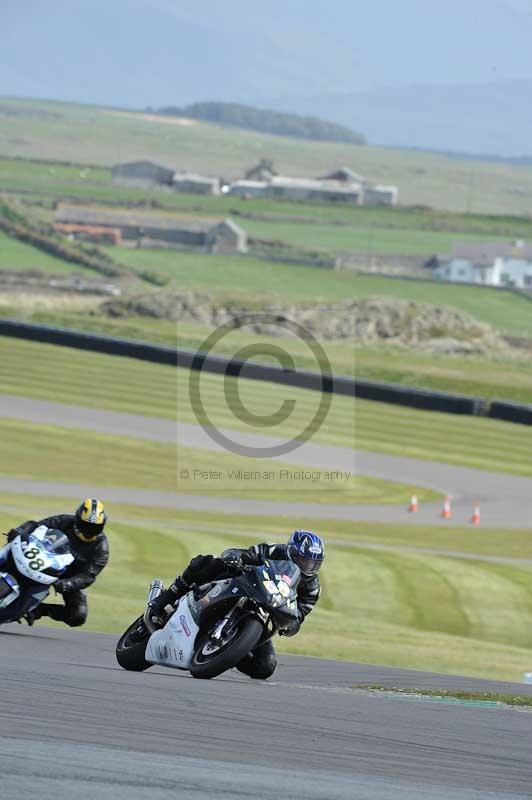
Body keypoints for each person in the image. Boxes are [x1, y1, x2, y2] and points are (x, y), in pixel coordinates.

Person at [149, 529, 324, 680]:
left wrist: (292, 625)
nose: (306, 567)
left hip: (265, 610)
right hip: (242, 586)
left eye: (312, 564)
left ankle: (228, 653)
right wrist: (235, 559)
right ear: (291, 552)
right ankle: (167, 595)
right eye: (302, 561)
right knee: (209, 563)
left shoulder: (312, 587)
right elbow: (245, 554)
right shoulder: (274, 550)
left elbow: (300, 614)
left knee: (266, 666)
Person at [6, 498, 109, 627]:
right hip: (41, 558)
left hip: (66, 576)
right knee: (11, 549)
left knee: (78, 615)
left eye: (95, 527)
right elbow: (36, 526)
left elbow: (88, 576)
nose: (89, 530)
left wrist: (70, 583)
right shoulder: (64, 521)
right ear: (77, 520)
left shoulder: (101, 548)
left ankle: (37, 610)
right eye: (86, 525)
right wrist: (20, 531)